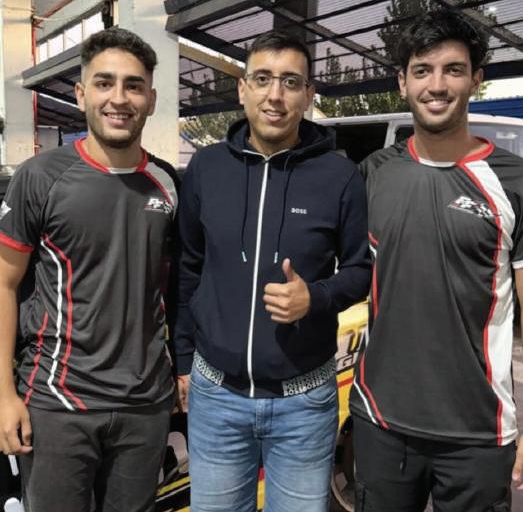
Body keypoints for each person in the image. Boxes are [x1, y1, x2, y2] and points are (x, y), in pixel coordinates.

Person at [174, 30, 370, 512]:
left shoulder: (340, 176)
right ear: (242, 89)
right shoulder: (206, 168)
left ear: (308, 95)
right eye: (262, 79)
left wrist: (315, 297)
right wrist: (182, 359)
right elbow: (189, 268)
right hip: (215, 397)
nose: (275, 95)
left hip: (304, 403)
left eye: (290, 81)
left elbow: (361, 271)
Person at [349, 9, 523, 512]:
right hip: (380, 420)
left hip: (478, 433)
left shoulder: (512, 181)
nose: (437, 85)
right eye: (422, 70)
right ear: (402, 82)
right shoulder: (373, 173)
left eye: (453, 69)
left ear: (476, 79)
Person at [0, 27, 179, 512]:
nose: (118, 98)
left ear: (151, 99)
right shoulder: (39, 178)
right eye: (104, 83)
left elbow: (175, 288)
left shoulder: (166, 183)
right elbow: (4, 284)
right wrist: (4, 396)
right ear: (81, 94)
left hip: (145, 405)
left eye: (133, 86)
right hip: (58, 403)